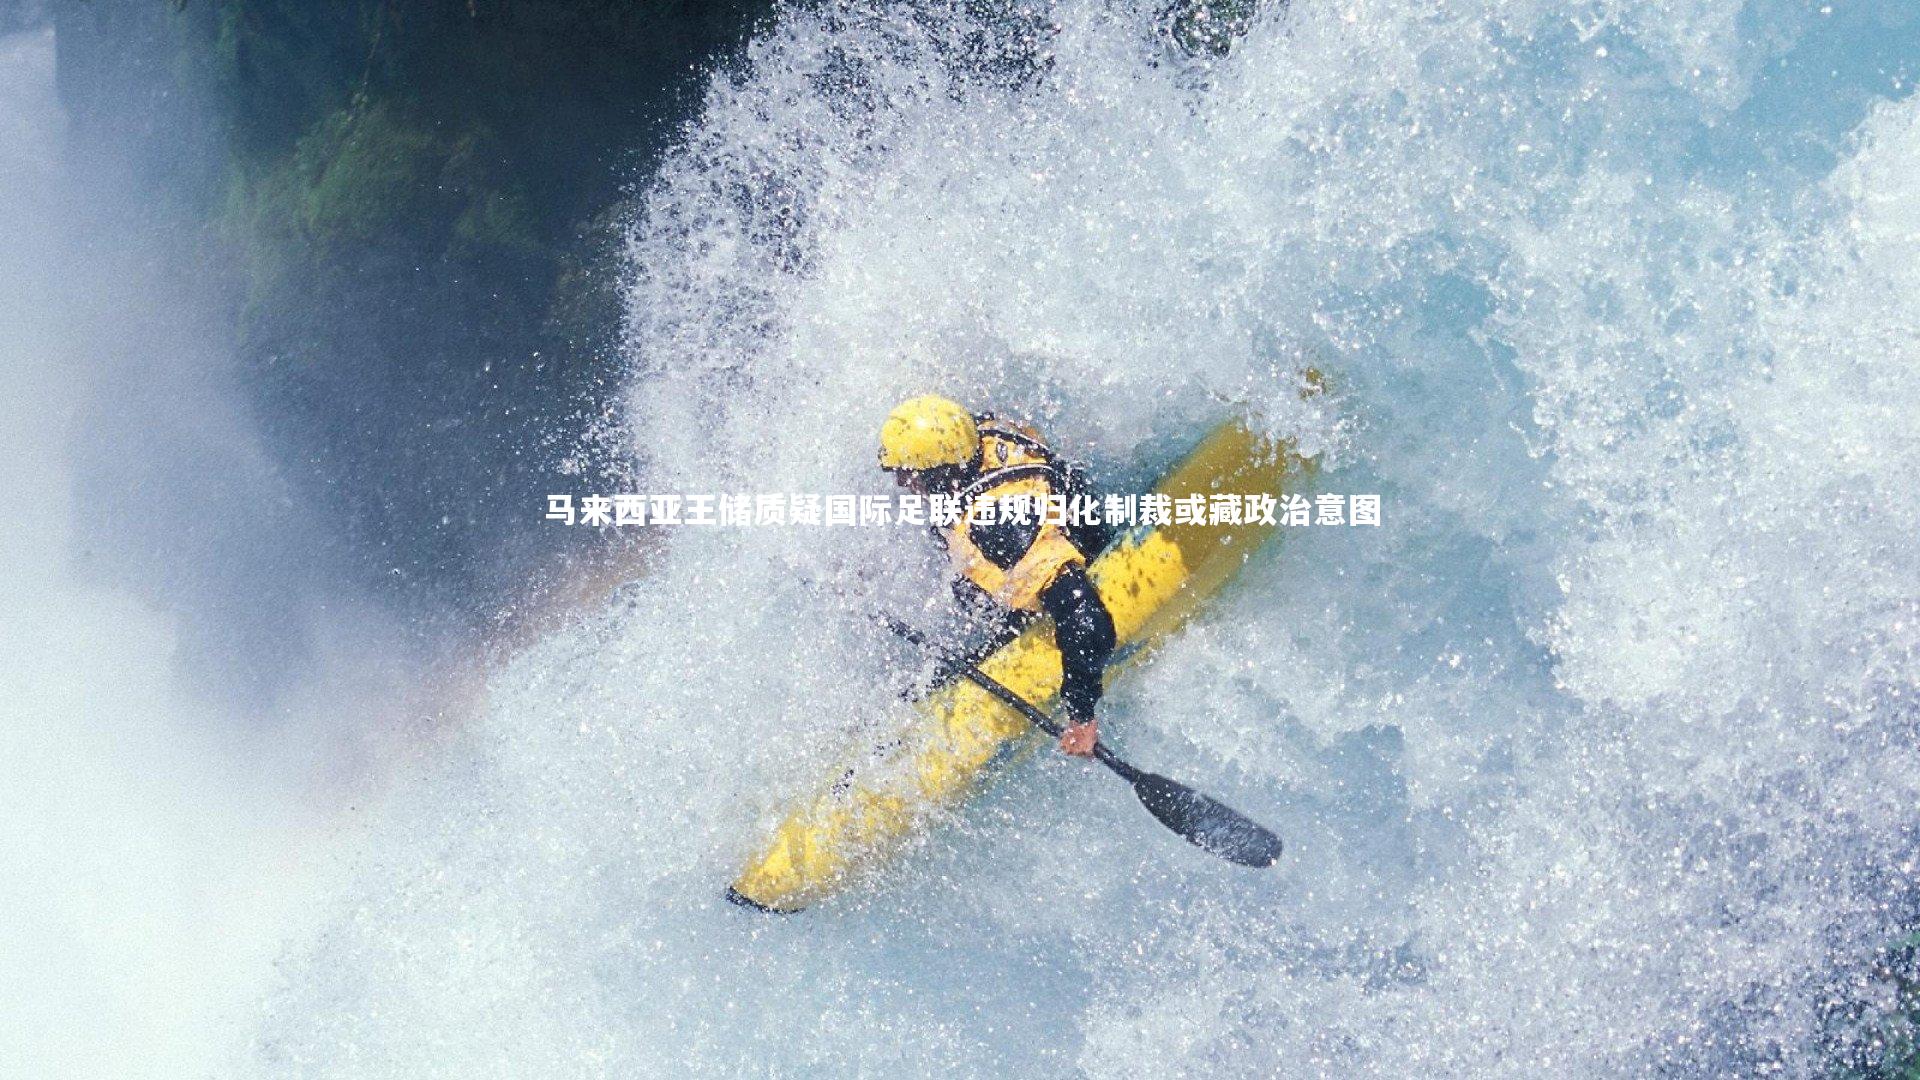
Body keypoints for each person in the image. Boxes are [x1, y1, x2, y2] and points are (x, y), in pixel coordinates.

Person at [878, 394, 1117, 757]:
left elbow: (1085, 618)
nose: (900, 484)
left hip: (1063, 571)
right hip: (1058, 523)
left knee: (943, 661)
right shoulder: (980, 433)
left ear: (939, 473)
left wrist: (1081, 716)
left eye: (908, 475)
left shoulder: (999, 527)